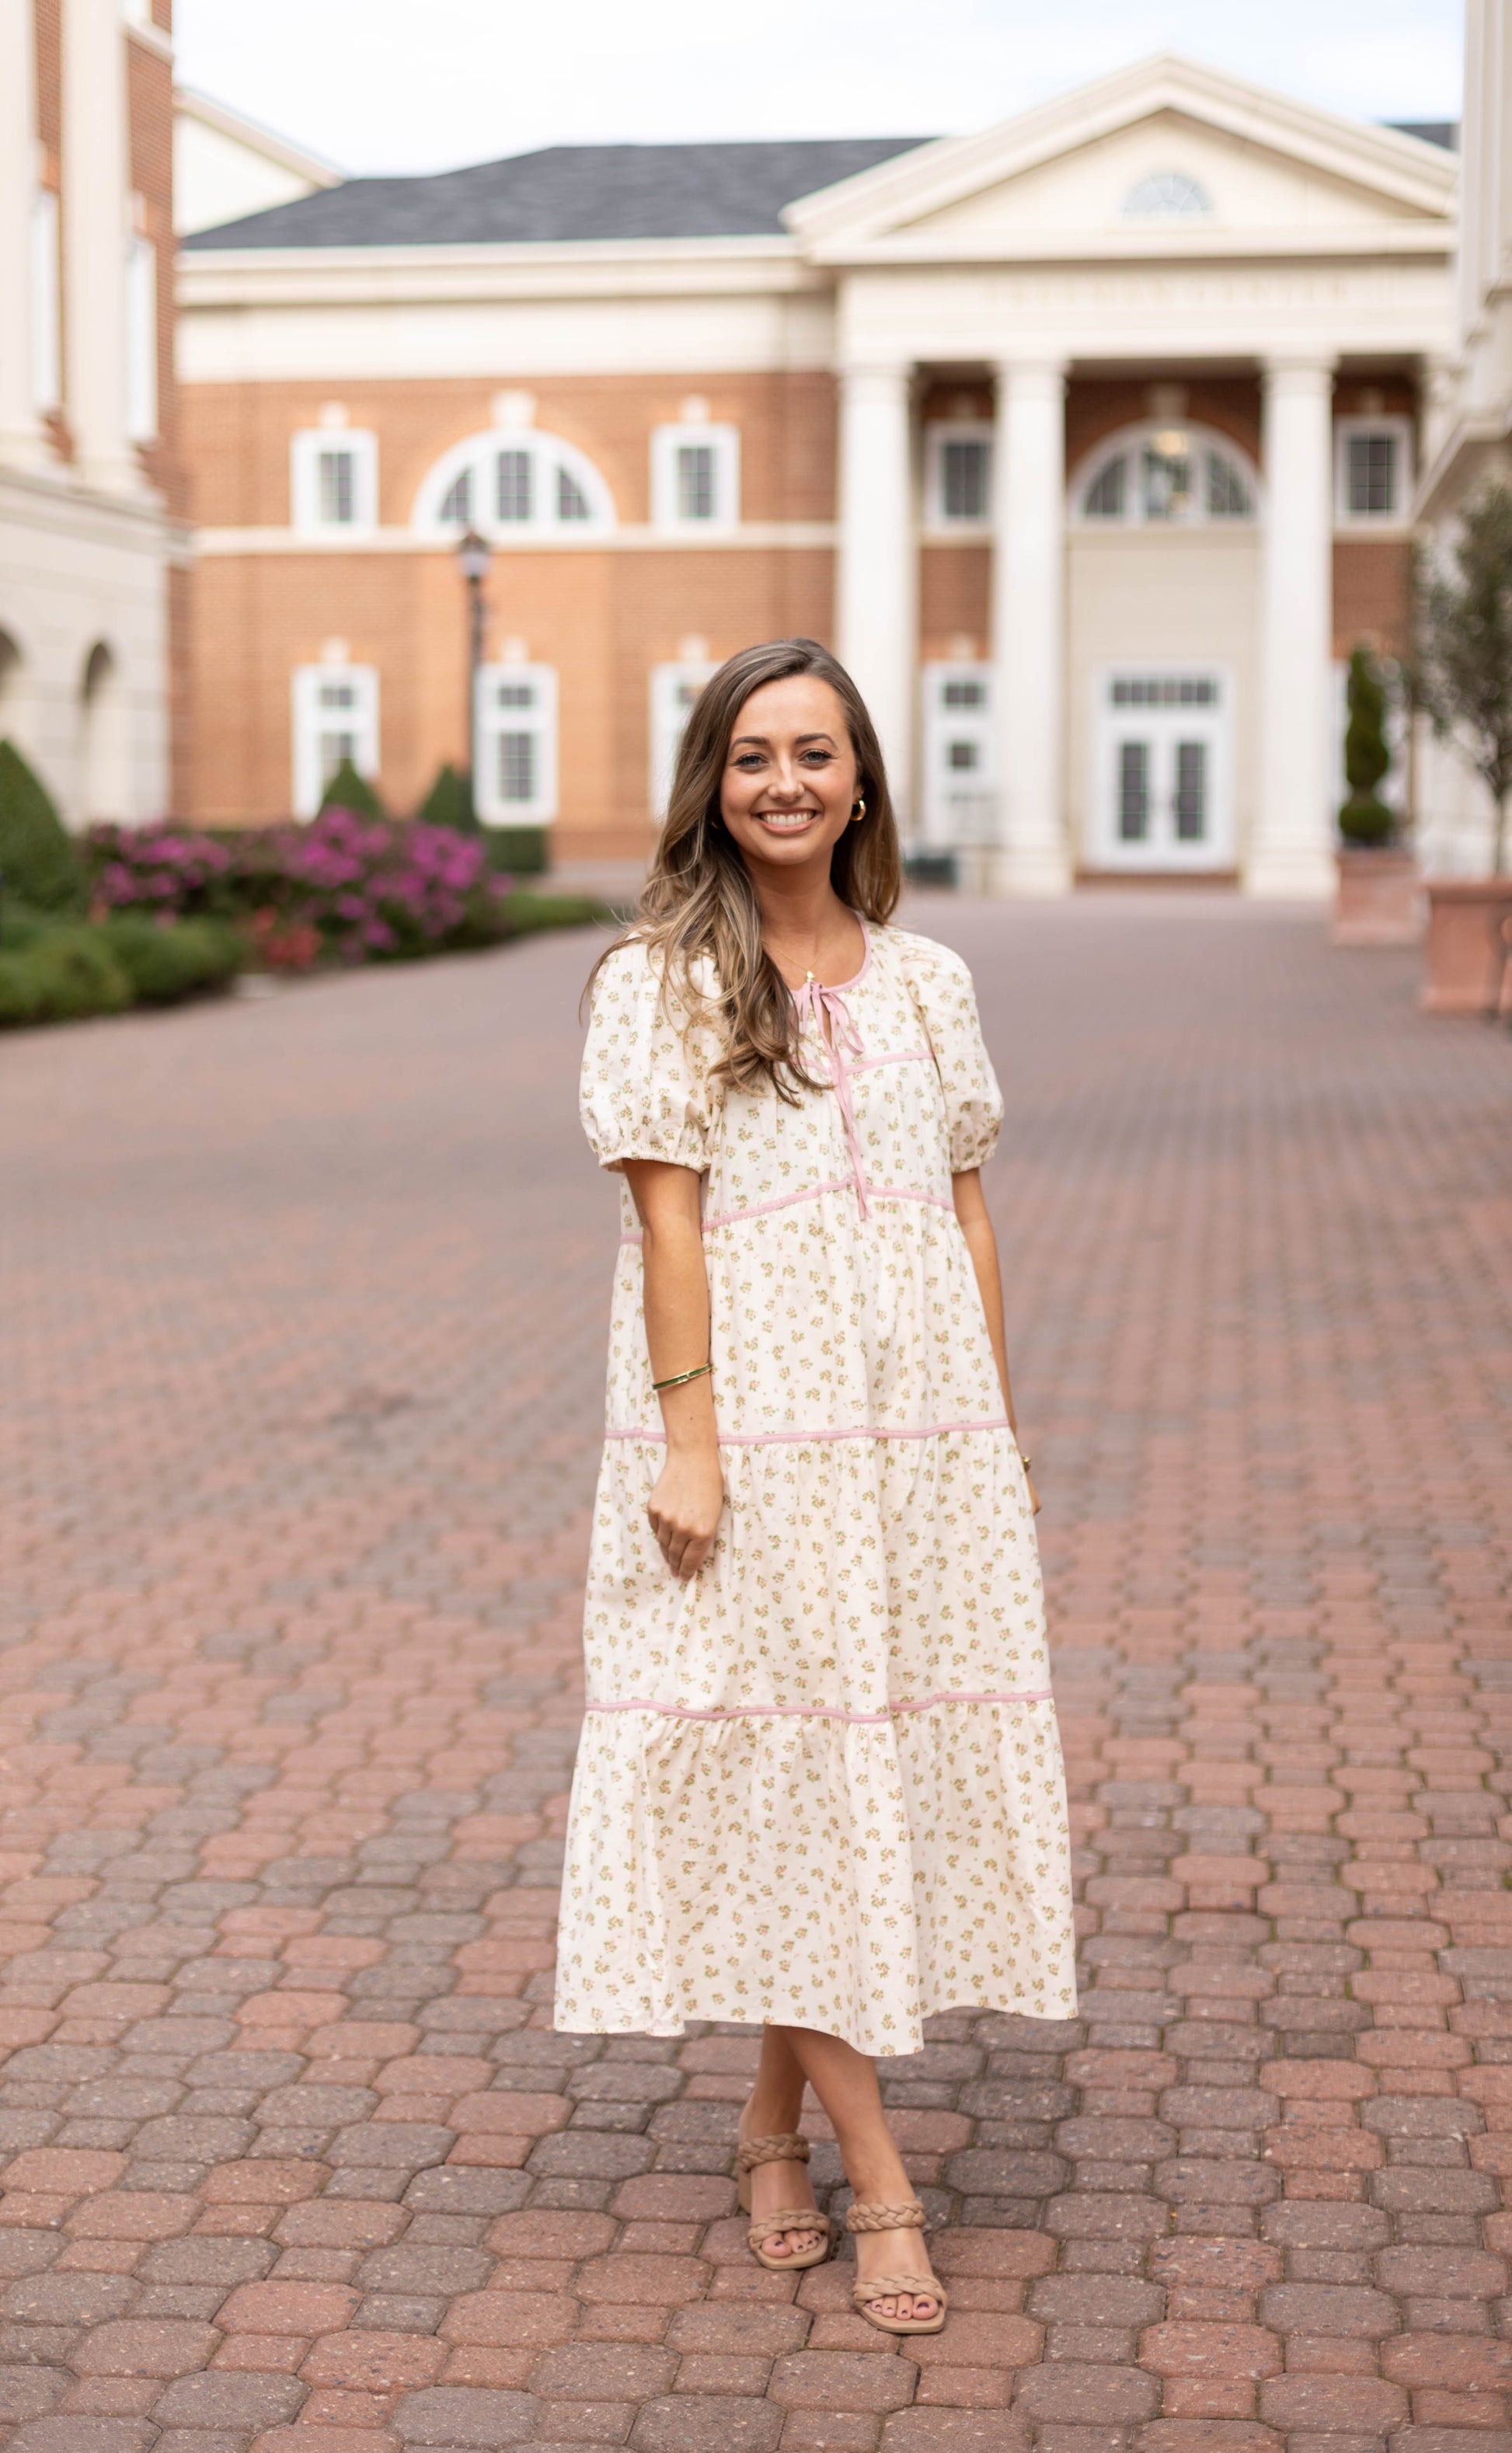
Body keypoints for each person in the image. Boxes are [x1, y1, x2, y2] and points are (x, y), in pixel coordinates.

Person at [556, 636, 1075, 2336]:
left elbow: (967, 1210)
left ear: (861, 780)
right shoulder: (660, 977)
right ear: (711, 779)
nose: (785, 781)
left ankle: (769, 2125)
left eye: (817, 753)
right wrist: (692, 1442)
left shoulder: (932, 982)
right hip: (757, 1442)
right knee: (791, 1759)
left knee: (854, 1764)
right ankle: (881, 2177)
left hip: (919, 1446)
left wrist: (988, 1433)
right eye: (752, 754)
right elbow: (664, 1220)